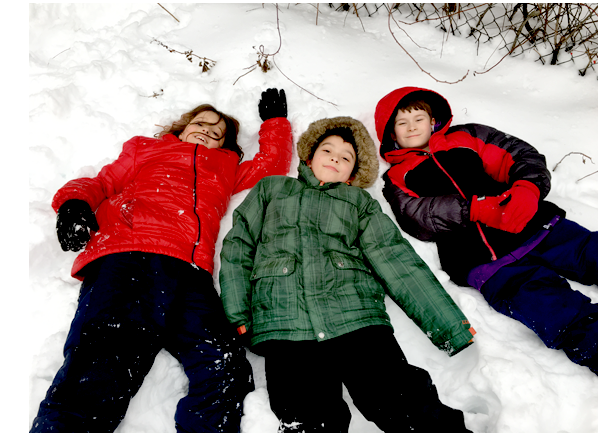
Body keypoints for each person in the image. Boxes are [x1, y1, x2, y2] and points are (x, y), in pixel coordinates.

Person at [30, 88, 293, 432]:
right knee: (103, 362)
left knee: (223, 363)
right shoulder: (145, 149)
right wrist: (73, 204)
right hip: (129, 257)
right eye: (201, 123)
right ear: (182, 128)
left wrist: (275, 123)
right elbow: (102, 182)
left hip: (190, 273)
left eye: (218, 133)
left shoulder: (226, 166)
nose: (208, 132)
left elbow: (269, 165)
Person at [219, 116, 477, 433]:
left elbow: (395, 258)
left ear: (352, 173)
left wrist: (448, 326)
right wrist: (238, 312)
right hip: (285, 327)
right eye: (327, 150)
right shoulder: (272, 190)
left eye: (346, 157)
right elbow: (238, 247)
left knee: (402, 402)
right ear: (309, 156)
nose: (335, 159)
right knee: (308, 419)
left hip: (356, 320)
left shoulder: (358, 203)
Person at [373, 86, 598, 380]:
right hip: (488, 264)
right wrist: (472, 210)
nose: (412, 127)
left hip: (537, 228)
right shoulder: (396, 177)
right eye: (401, 123)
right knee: (555, 312)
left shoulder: (468, 137)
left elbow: (519, 154)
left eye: (418, 118)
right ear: (392, 134)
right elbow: (417, 218)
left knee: (597, 253)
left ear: (433, 120)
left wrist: (527, 188)